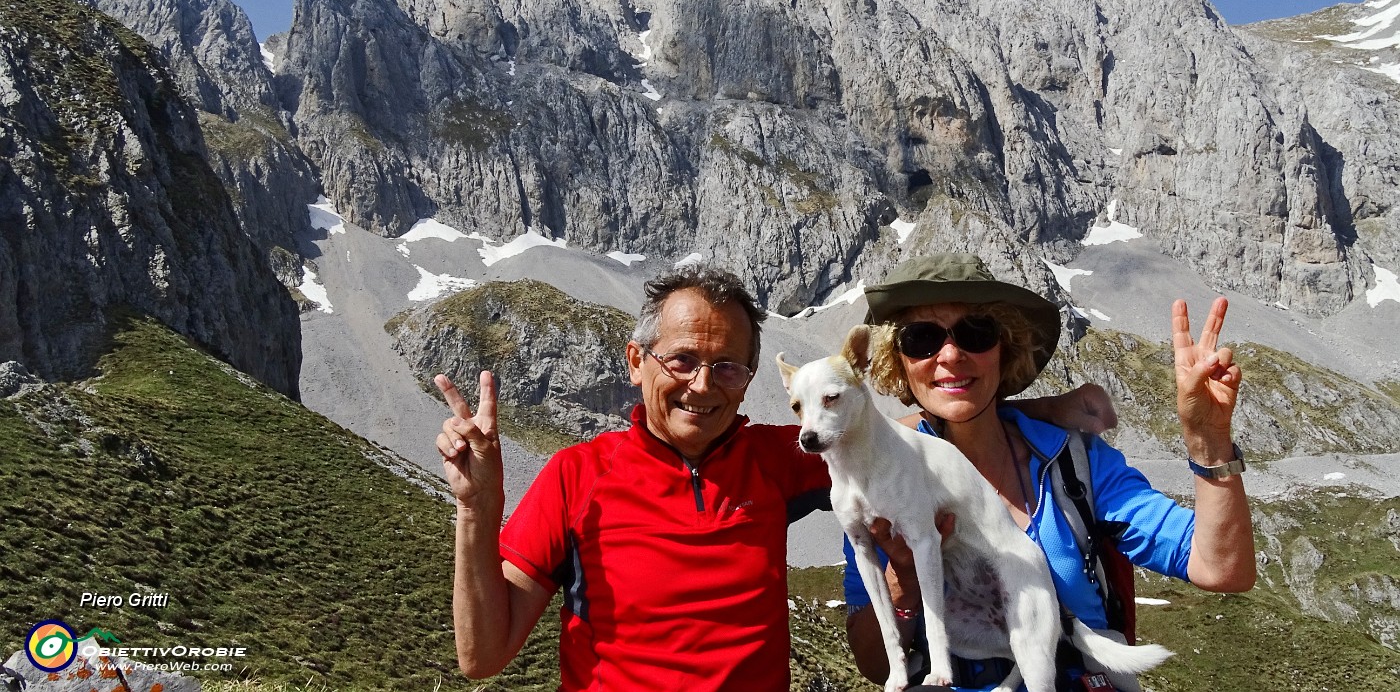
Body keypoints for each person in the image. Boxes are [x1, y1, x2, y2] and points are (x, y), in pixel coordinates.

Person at [435, 264, 1119, 691]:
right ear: (636, 360)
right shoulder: (574, 475)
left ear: (750, 378)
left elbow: (899, 440)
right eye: (681, 360)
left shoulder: (780, 455)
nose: (703, 386)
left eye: (728, 366)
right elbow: (482, 655)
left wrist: (1037, 411)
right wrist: (476, 508)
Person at [843, 254, 1256, 691]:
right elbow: (873, 664)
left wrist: (1208, 439)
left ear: (1006, 349)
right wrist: (903, 578)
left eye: (976, 333)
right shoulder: (876, 483)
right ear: (899, 361)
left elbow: (1222, 569)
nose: (950, 355)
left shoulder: (1077, 463)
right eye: (922, 339)